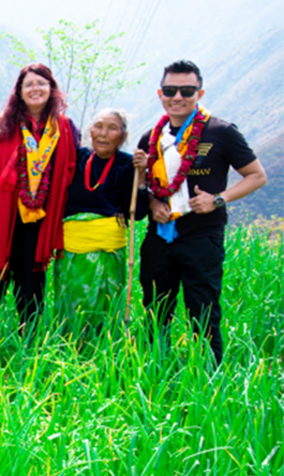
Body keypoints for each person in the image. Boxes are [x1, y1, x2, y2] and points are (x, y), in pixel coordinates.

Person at [132, 60, 267, 364]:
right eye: (170, 90)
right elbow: (148, 187)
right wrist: (153, 205)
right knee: (155, 315)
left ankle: (208, 385)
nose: (177, 96)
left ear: (200, 92)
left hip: (202, 239)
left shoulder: (222, 132)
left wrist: (218, 199)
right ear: (160, 93)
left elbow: (257, 176)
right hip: (159, 240)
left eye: (187, 90)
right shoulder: (150, 138)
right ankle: (155, 376)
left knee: (203, 317)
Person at [0, 63, 78, 327]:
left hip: (39, 221)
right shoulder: (4, 125)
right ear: (19, 92)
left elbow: (71, 170)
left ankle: (28, 344)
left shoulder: (65, 129)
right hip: (0, 216)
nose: (35, 88)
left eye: (41, 83)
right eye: (29, 84)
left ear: (51, 89)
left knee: (31, 288)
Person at [54, 108, 138, 334]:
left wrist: (142, 177)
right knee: (71, 301)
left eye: (112, 128)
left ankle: (105, 349)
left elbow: (137, 213)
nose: (103, 133)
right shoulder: (77, 157)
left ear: (123, 136)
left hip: (108, 244)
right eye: (99, 126)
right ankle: (70, 344)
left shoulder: (129, 165)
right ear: (90, 131)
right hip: (73, 245)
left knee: (106, 302)